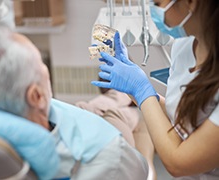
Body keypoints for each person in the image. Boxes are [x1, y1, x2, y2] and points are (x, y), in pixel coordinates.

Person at [0, 22, 149, 180]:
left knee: (88, 107)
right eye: (42, 65)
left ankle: (118, 95)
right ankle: (124, 96)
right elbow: (140, 170)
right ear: (37, 96)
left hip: (58, 117)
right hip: (109, 143)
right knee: (125, 115)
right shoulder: (110, 157)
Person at [92, 0, 219, 179]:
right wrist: (134, 88)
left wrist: (141, 89)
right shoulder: (183, 47)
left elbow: (178, 163)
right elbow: (184, 118)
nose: (153, 10)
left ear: (192, 3)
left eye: (157, 3)